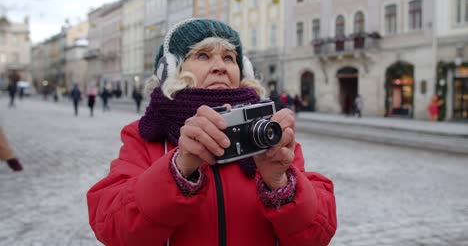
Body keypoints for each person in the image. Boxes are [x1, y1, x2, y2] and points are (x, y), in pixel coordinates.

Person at [86, 18, 336, 246]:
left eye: (229, 57)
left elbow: (317, 235)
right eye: (203, 55)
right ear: (171, 69)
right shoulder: (147, 136)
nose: (221, 67)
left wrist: (280, 184)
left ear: (243, 70)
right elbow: (113, 228)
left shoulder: (270, 135)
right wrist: (179, 169)